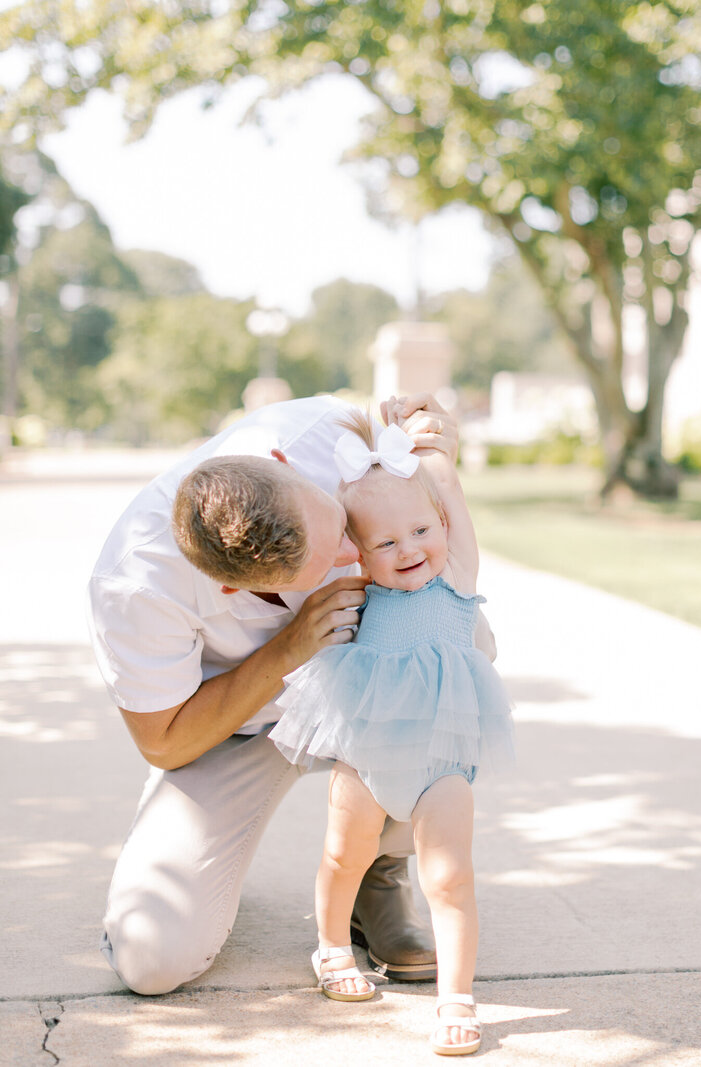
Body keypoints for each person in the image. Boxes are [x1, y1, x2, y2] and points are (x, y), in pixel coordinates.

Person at [87, 393, 461, 996]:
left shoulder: (323, 431)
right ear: (232, 584)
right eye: (327, 562)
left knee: (466, 647)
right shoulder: (134, 585)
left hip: (367, 689)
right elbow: (163, 740)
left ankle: (378, 866)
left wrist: (437, 439)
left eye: (339, 528)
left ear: (286, 462)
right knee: (151, 961)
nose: (353, 554)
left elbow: (419, 450)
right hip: (238, 729)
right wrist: (289, 648)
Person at [269, 407, 515, 1056]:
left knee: (449, 876)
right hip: (366, 756)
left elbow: (447, 495)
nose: (408, 549)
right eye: (385, 542)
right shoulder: (360, 589)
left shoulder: (456, 578)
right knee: (343, 853)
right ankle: (330, 947)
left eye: (421, 530)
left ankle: (456, 997)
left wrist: (434, 453)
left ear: (442, 526)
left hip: (441, 765)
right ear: (358, 550)